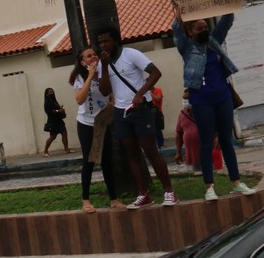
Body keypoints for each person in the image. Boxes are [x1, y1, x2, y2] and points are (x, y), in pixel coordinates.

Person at [172, 11, 256, 201]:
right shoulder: (186, 47)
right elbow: (176, 30)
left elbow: (226, 20)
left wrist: (227, 1)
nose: (204, 30)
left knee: (226, 140)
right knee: (206, 141)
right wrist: (178, 10)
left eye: (205, 27)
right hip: (201, 100)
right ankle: (209, 187)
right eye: (199, 28)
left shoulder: (214, 40)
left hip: (223, 97)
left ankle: (236, 182)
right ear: (190, 31)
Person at [97, 27, 177, 208]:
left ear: (115, 41)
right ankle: (143, 194)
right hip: (121, 111)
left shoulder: (131, 54)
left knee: (150, 151)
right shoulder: (104, 63)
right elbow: (104, 90)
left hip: (140, 109)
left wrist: (140, 93)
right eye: (100, 42)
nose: (103, 45)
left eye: (106, 41)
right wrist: (104, 66)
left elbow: (156, 72)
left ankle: (169, 191)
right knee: (131, 153)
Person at [70, 48, 122, 213]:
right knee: (89, 161)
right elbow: (80, 99)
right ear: (82, 61)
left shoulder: (105, 72)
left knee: (107, 161)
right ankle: (86, 200)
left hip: (102, 123)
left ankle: (114, 199)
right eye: (89, 56)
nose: (93, 57)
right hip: (86, 123)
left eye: (94, 54)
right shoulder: (80, 77)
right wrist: (90, 75)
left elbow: (111, 94)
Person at [174, 89, 224, 175]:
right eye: (184, 99)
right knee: (197, 175)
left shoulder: (206, 110)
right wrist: (178, 152)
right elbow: (179, 133)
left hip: (209, 152)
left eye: (187, 99)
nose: (185, 102)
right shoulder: (182, 114)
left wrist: (217, 137)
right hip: (192, 155)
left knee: (213, 174)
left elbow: (218, 125)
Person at [42, 87, 71, 156]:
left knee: (64, 133)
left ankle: (66, 149)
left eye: (52, 91)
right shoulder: (48, 101)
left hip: (58, 121)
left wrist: (60, 108)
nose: (51, 93)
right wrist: (59, 110)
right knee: (53, 136)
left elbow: (55, 109)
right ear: (46, 94)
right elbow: (49, 111)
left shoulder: (53, 100)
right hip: (53, 122)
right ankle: (45, 151)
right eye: (50, 92)